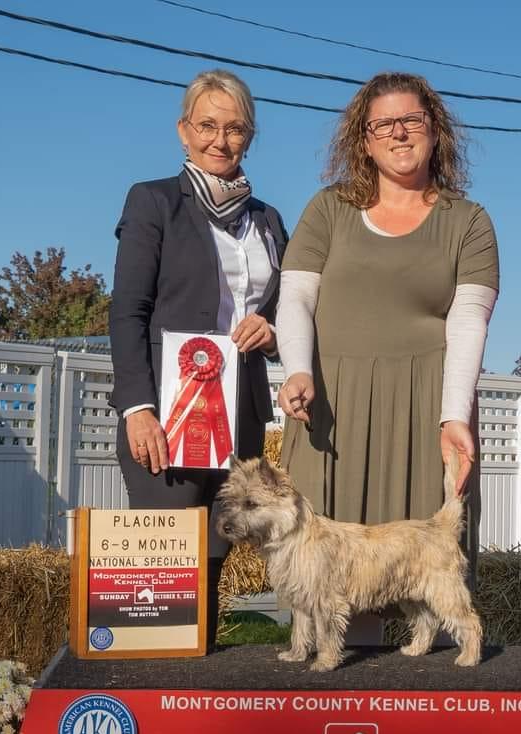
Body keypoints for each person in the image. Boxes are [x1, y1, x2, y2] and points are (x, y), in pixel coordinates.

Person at [275, 72, 499, 643]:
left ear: (434, 131)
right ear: (364, 139)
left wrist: (454, 416)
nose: (399, 134)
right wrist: (298, 368)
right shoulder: (327, 209)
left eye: (412, 121)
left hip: (424, 407)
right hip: (329, 404)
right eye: (384, 125)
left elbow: (469, 321)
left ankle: (427, 712)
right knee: (322, 576)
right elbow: (296, 296)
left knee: (426, 575)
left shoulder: (469, 222)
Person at [108, 69, 288, 649]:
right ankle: (152, 706)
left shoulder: (268, 220)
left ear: (250, 137)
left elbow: (290, 314)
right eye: (207, 125)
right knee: (161, 574)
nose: (221, 139)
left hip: (240, 417)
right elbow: (127, 312)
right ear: (183, 132)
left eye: (235, 129)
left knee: (213, 556)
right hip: (165, 415)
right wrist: (138, 406)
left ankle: (198, 703)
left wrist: (274, 329)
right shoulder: (153, 201)